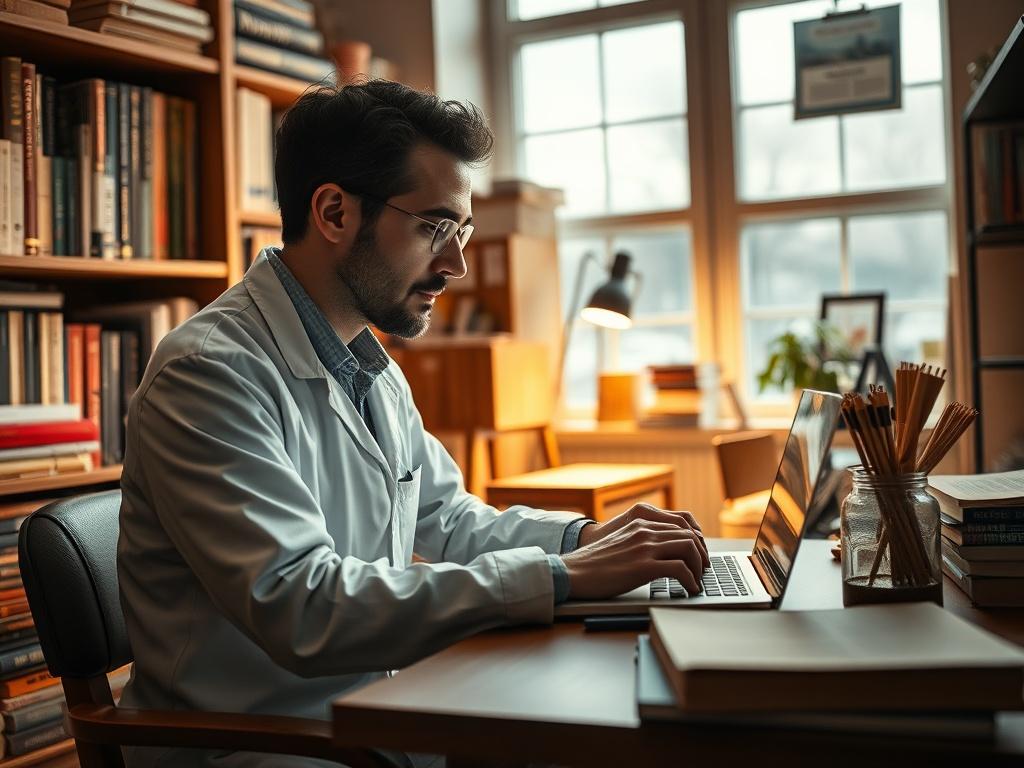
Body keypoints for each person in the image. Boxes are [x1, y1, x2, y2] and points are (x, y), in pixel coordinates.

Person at [116, 80, 708, 768]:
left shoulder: (369, 366)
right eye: (434, 228)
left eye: (460, 232)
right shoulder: (209, 373)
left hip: (371, 714)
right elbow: (302, 607)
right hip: (258, 746)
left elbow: (448, 518)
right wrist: (563, 576)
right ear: (335, 212)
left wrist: (587, 537)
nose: (455, 264)